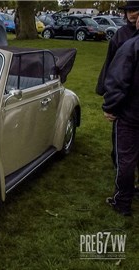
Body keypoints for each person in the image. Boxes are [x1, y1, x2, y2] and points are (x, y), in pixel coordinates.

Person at [96, 0, 139, 192]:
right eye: (129, 11)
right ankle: (121, 171)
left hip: (132, 99)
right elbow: (112, 64)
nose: (132, 14)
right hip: (124, 98)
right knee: (121, 143)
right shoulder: (121, 35)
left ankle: (123, 196)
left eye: (136, 10)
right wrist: (106, 90)